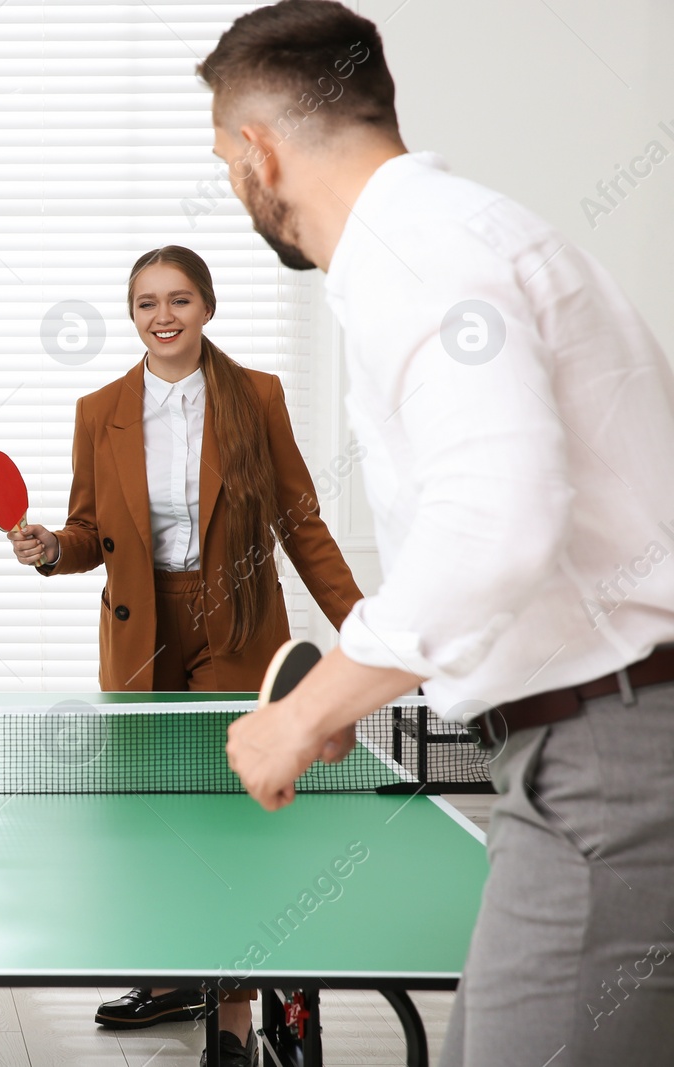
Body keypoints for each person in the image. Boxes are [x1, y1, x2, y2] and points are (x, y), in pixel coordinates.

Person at [201, 5, 674, 1067]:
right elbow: (522, 541)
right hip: (601, 750)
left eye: (224, 160)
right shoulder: (462, 234)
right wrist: (358, 690)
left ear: (256, 151)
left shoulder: (414, 254)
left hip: (608, 760)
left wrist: (304, 713)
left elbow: (495, 518)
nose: (235, 187)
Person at [10, 244, 362, 1065]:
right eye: (146, 303)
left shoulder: (255, 396)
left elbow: (300, 522)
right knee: (154, 816)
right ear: (132, 315)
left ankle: (232, 1018)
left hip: (237, 620)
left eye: (178, 300)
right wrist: (48, 550)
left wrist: (367, 630)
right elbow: (90, 532)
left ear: (207, 305)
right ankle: (174, 977)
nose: (162, 316)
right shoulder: (100, 408)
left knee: (230, 820)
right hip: (142, 630)